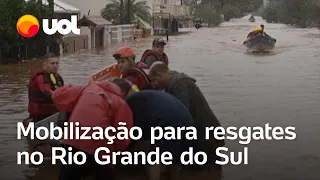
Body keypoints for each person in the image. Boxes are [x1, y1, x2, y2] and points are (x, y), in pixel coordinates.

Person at [148, 62, 225, 180]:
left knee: (206, 173)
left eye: (153, 80)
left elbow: (181, 116)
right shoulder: (176, 83)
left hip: (205, 139)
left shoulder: (179, 85)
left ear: (159, 75)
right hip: (204, 136)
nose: (153, 85)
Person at [52, 78, 135, 180]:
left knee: (68, 174)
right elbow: (123, 139)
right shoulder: (121, 103)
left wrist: (69, 86)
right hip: (98, 146)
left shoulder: (88, 88)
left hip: (72, 140)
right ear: (123, 92)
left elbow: (58, 96)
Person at [125, 90, 194, 180]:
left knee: (155, 157)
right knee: (174, 156)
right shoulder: (147, 95)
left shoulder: (131, 102)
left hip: (167, 121)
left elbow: (136, 127)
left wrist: (127, 146)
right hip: (187, 118)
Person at [26, 52, 64, 124]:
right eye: (52, 63)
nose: (55, 66)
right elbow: (47, 92)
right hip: (40, 118)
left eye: (57, 63)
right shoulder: (40, 77)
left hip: (52, 115)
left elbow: (63, 90)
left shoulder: (58, 78)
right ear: (44, 64)